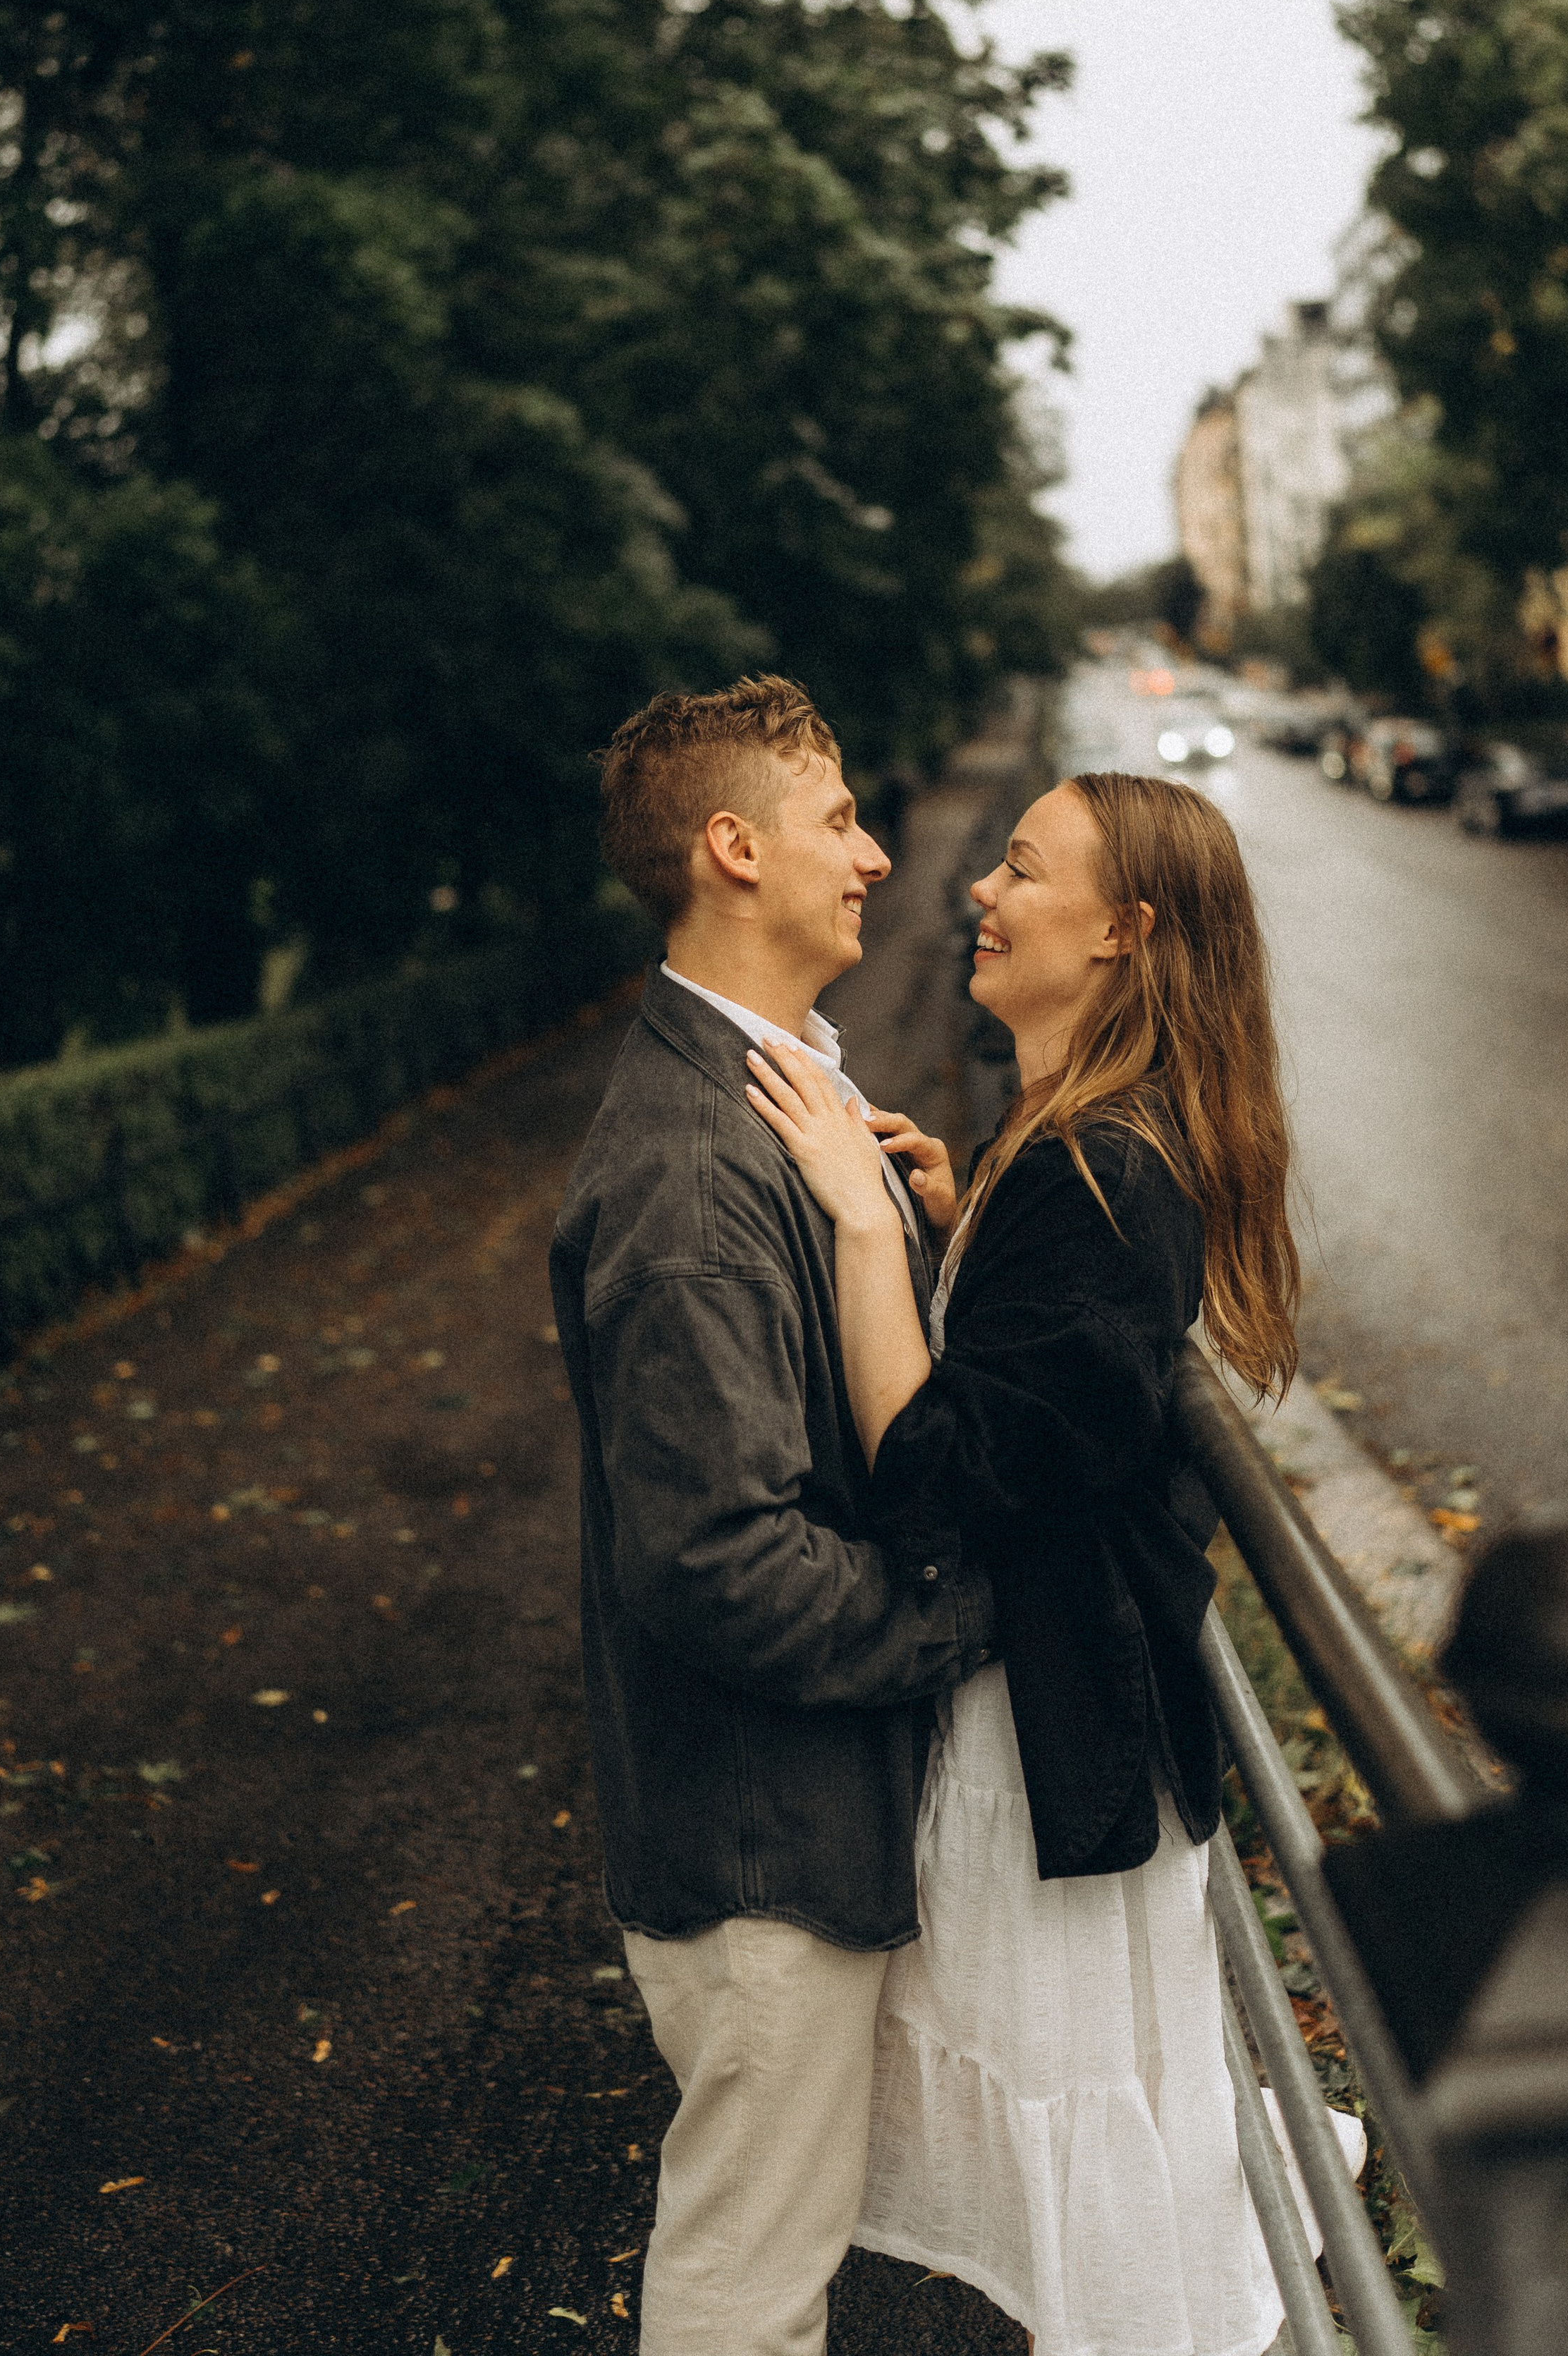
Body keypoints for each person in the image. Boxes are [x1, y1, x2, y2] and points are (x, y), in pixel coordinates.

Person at [745, 769, 1303, 2356]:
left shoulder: (1100, 1175)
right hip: (1052, 1711)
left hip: (1047, 1741)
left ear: (1124, 934)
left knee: (1103, 2216)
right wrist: (949, 1227)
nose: (975, 893)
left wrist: (862, 1231)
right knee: (1090, 2177)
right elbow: (1044, 1408)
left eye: (1018, 869)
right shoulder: (1059, 1151)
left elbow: (940, 1480)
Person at [550, 673, 998, 2356]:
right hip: (760, 1844)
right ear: (732, 851)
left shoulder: (772, 1091)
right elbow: (717, 1563)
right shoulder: (688, 1168)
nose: (877, 855)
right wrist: (970, 1621)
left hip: (796, 1814)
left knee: (773, 2257)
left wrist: (914, 1237)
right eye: (837, 821)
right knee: (749, 2285)